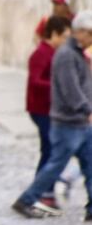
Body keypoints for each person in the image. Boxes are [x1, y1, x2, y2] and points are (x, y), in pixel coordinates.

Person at [13, 10, 92, 221]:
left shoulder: (77, 54)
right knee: (55, 164)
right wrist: (87, 109)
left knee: (89, 163)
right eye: (90, 34)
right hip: (66, 122)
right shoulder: (65, 55)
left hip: (79, 122)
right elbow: (70, 90)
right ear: (81, 32)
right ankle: (28, 199)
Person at [26, 15, 73, 210]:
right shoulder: (41, 53)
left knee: (50, 150)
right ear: (54, 34)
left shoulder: (54, 53)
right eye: (64, 37)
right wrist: (57, 85)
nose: (65, 41)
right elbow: (35, 81)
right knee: (50, 150)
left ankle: (44, 191)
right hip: (40, 109)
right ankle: (41, 192)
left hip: (51, 109)